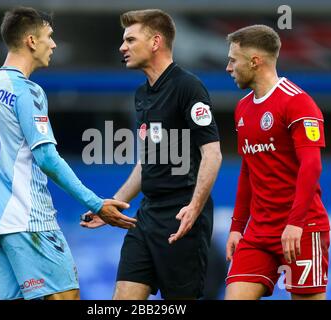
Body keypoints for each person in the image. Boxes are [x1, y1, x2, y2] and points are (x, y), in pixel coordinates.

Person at [0, 6, 136, 300]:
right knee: (65, 296)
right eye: (49, 36)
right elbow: (47, 159)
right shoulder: (27, 90)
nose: (54, 44)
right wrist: (96, 203)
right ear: (31, 41)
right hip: (27, 218)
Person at [81, 9, 222, 300]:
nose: (123, 47)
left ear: (156, 42)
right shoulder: (142, 94)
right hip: (147, 216)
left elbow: (213, 154)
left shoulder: (188, 87)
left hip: (182, 217)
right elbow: (147, 163)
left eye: (130, 40)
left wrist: (195, 207)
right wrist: (115, 206)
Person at [224, 25, 330, 300]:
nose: (228, 67)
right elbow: (248, 171)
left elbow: (312, 166)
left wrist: (296, 223)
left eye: (233, 60)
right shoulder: (242, 108)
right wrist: (237, 227)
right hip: (258, 234)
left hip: (302, 230)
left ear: (255, 61)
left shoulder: (298, 102)